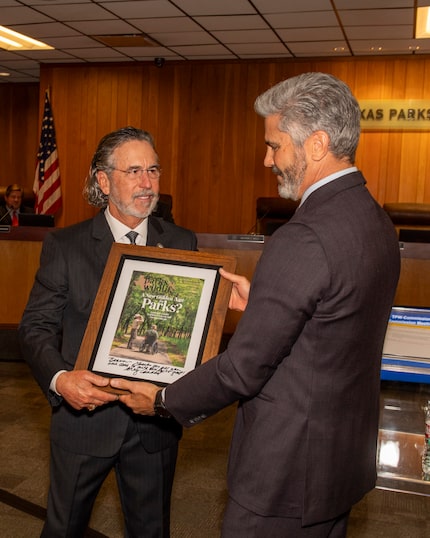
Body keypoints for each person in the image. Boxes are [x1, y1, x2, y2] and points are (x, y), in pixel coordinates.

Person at [109, 73, 401, 537]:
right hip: (338, 461)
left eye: (275, 145)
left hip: (285, 473)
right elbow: (332, 324)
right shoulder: (375, 219)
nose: (267, 159)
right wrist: (266, 301)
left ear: (317, 144)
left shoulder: (302, 237)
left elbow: (242, 369)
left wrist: (163, 399)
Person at [19, 126, 198, 537]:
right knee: (63, 529)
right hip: (84, 420)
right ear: (104, 180)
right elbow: (35, 327)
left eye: (153, 170)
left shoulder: (183, 243)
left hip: (154, 424)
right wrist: (62, 380)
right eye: (133, 171)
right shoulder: (66, 246)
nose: (147, 183)